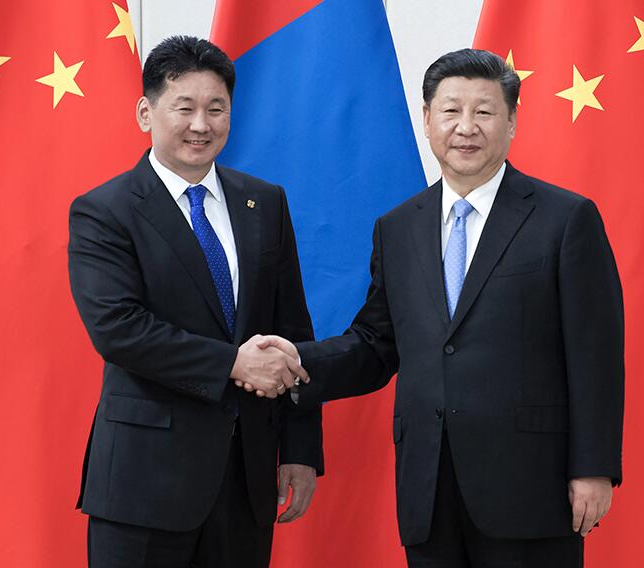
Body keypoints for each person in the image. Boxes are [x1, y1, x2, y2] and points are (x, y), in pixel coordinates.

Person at [258, 48, 624, 567]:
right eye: (451, 111)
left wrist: (593, 467)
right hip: (428, 487)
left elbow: (595, 354)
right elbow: (377, 344)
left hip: (530, 486)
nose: (466, 127)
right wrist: (296, 361)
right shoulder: (398, 227)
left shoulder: (565, 219)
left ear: (512, 122)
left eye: (484, 111)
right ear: (428, 119)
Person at [68, 35, 323, 568]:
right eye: (184, 108)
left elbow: (293, 332)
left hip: (246, 476)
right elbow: (118, 328)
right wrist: (233, 363)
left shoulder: (265, 202)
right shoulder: (104, 210)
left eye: (216, 109)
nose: (201, 125)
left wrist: (300, 449)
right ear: (146, 112)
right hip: (144, 481)